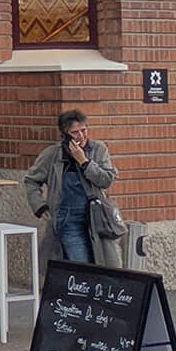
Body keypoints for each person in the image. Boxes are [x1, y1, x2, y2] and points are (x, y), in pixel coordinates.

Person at [23, 109, 120, 265]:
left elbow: (106, 180)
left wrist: (85, 162)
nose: (81, 136)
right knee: (80, 263)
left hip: (95, 216)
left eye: (84, 130)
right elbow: (31, 180)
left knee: (104, 262)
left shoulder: (98, 149)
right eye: (75, 133)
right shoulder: (53, 154)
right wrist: (40, 206)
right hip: (68, 217)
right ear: (65, 135)